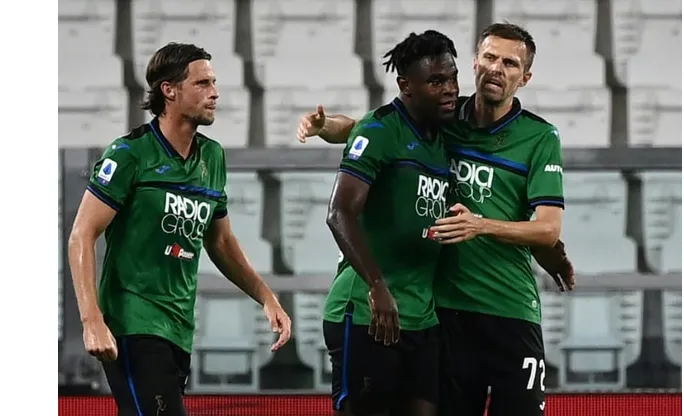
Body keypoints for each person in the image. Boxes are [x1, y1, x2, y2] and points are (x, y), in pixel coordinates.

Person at [297, 23, 575, 416]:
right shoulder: (443, 117)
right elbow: (371, 126)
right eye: (490, 57)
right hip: (444, 312)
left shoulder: (537, 136)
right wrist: (325, 126)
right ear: (476, 62)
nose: (497, 68)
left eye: (510, 63)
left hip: (506, 308)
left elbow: (547, 227)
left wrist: (539, 248)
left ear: (525, 77)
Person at [68, 42, 292, 416]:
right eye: (203, 83)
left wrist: (266, 297)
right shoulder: (129, 154)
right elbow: (82, 235)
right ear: (169, 91)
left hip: (180, 325)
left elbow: (220, 240)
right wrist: (91, 321)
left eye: (214, 82)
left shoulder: (213, 157)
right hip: (133, 321)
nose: (215, 92)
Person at [322, 30, 459, 416]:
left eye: (452, 77)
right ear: (405, 85)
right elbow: (339, 212)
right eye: (436, 81)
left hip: (422, 316)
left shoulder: (443, 135)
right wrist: (377, 286)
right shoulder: (381, 130)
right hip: (369, 312)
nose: (450, 89)